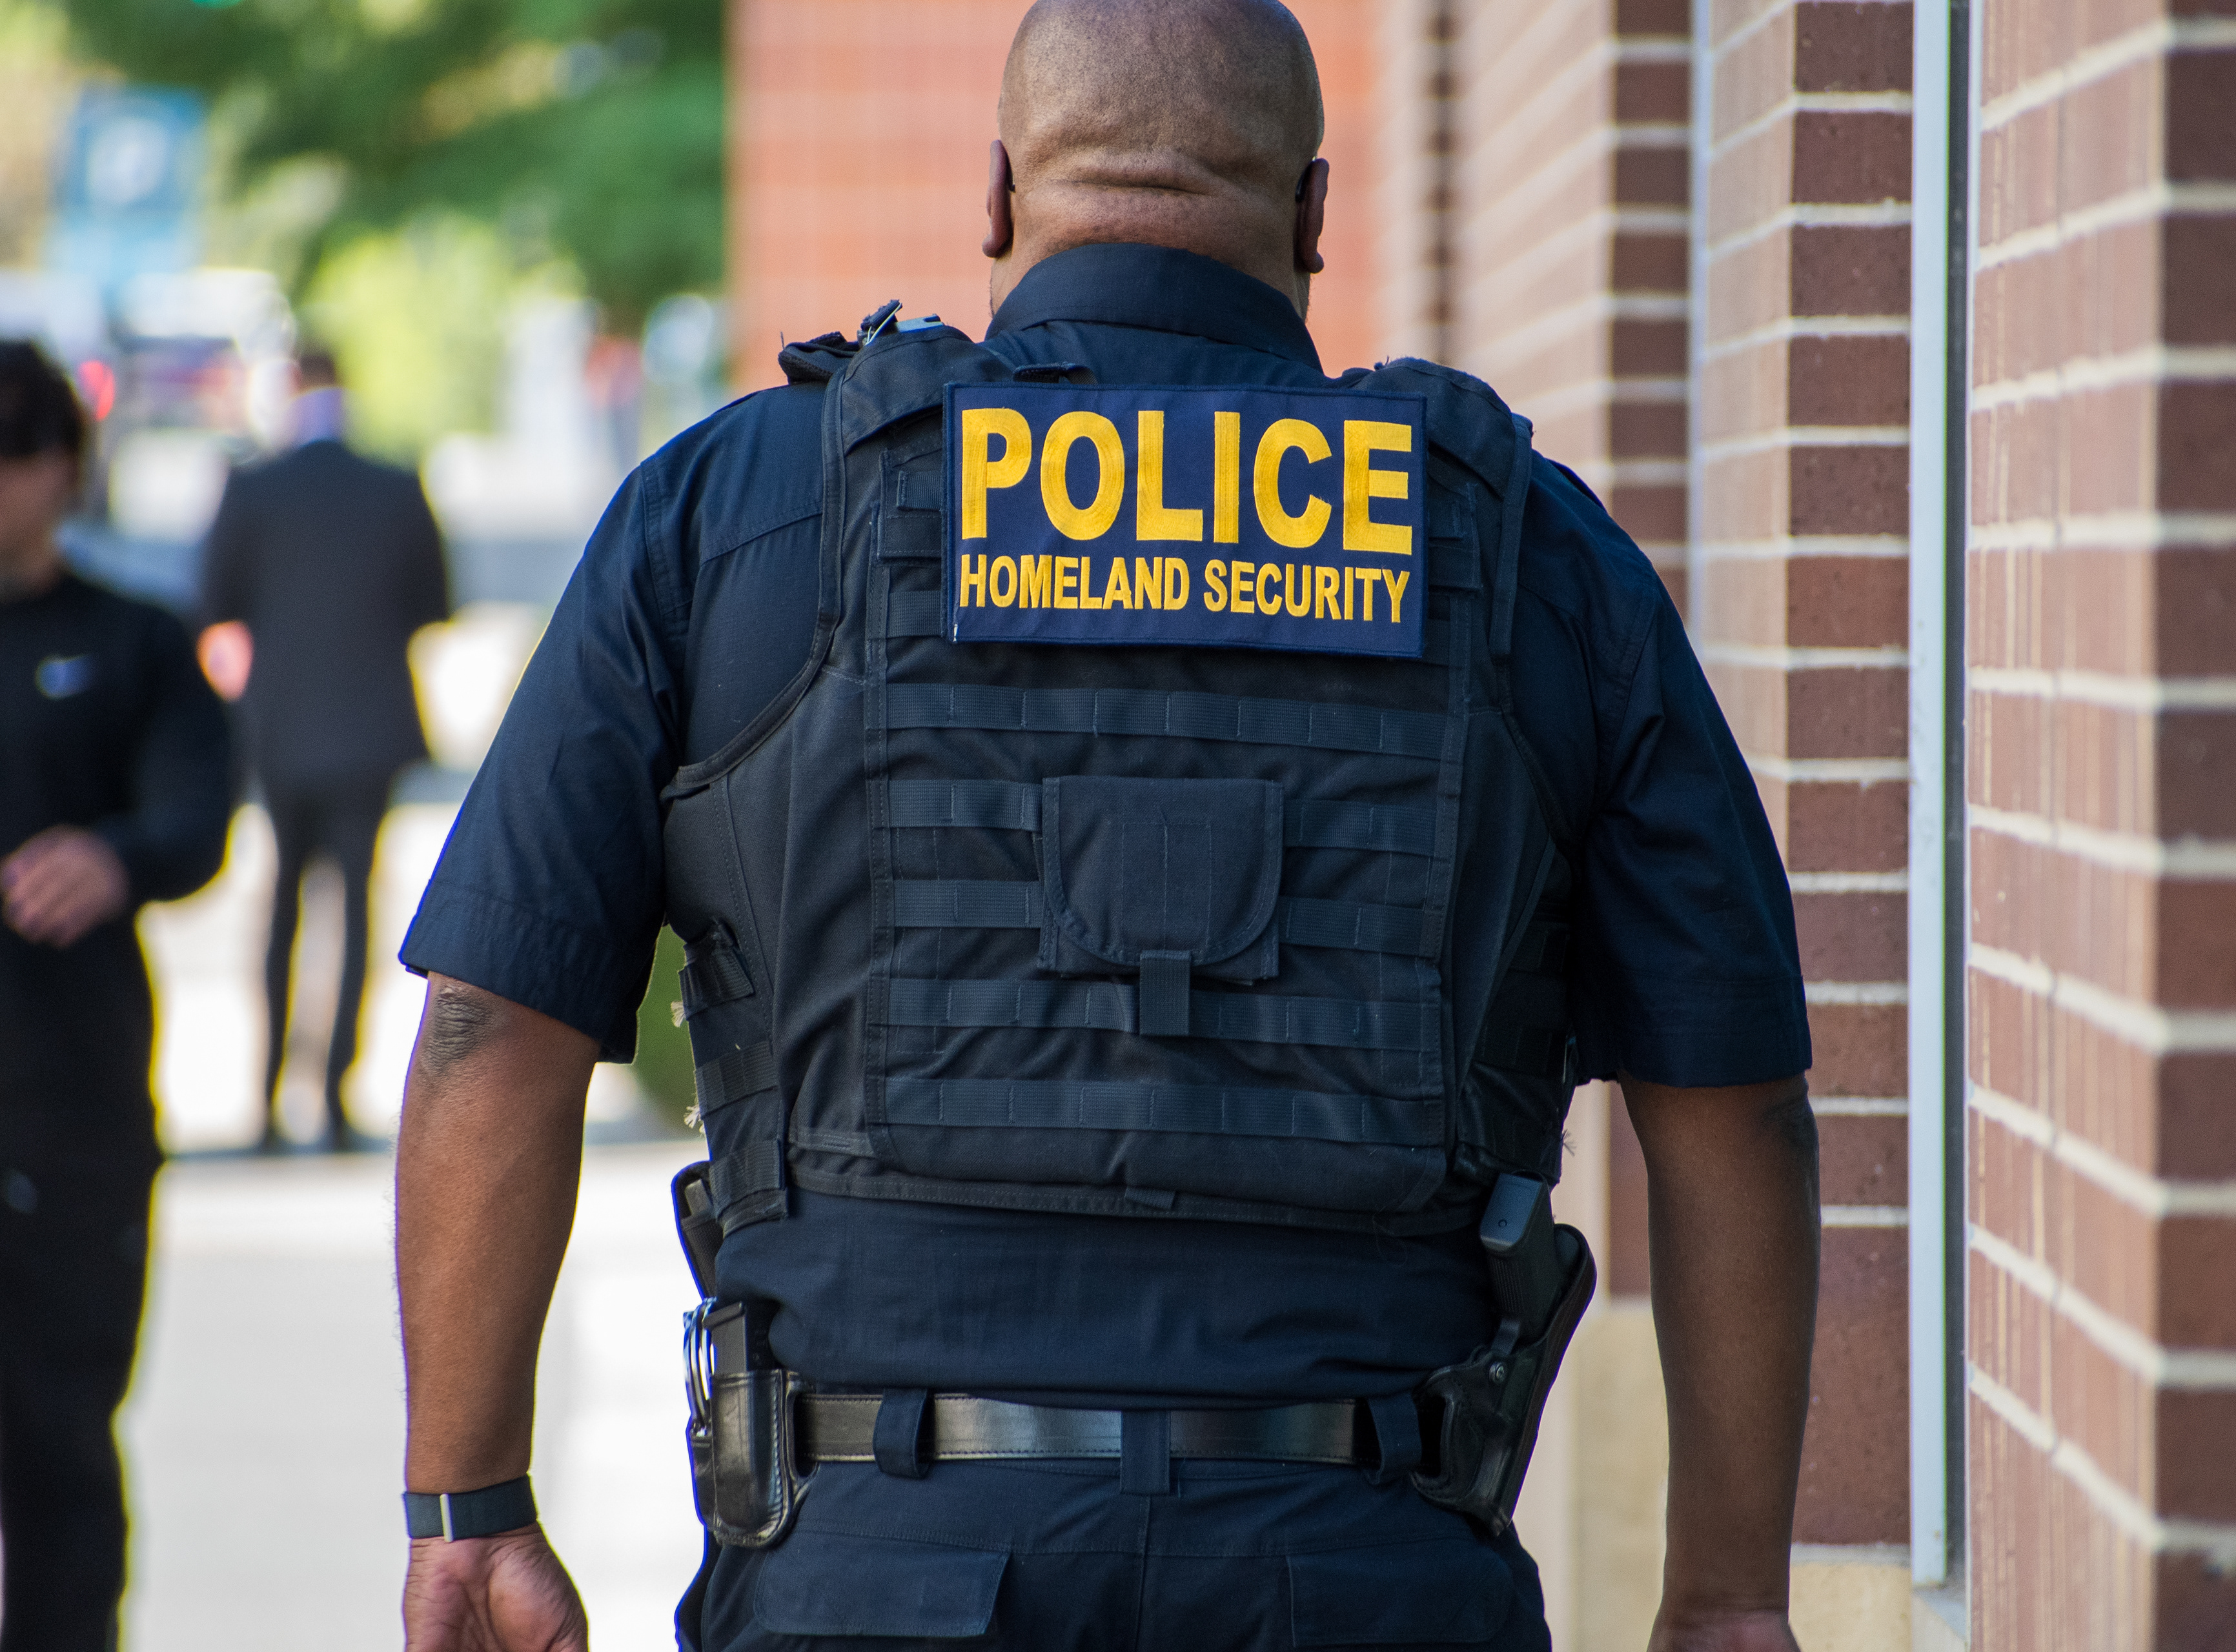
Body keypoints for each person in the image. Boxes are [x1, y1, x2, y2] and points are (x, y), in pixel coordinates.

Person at [394, 3, 1818, 1649]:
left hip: (870, 1565)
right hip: (1364, 1564)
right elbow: (1731, 1101)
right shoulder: (1532, 554)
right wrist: (1724, 1593)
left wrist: (467, 1507)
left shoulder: (741, 510)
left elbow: (494, 1023)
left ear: (997, 199)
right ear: (1312, 215)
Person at [0, 341, 231, 1651]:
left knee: (60, 1447)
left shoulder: (131, 639)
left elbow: (198, 817)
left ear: (66, 472)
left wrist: (115, 855)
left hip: (70, 1114)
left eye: (18, 453)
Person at [198, 348, 451, 1153]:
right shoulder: (395, 483)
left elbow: (212, 603)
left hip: (281, 724)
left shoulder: (254, 486)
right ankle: (337, 1098)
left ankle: (268, 1097)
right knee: (357, 904)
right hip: (370, 722)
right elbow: (434, 603)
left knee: (281, 909)